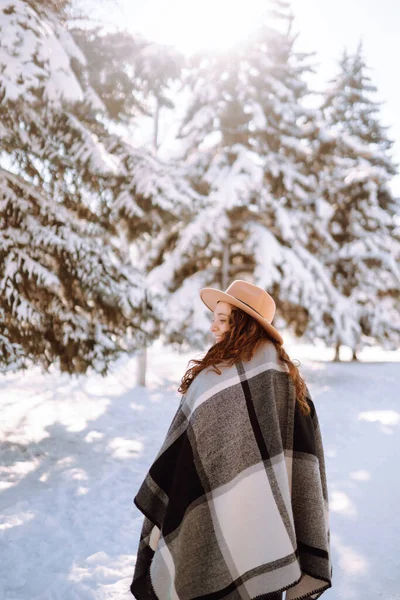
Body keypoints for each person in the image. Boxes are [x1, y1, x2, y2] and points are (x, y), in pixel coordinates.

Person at [130, 280, 332, 600]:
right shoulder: (289, 381)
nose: (213, 327)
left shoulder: (218, 378)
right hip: (269, 538)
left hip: (232, 530)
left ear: (245, 325)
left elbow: (301, 459)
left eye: (223, 319)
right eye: (214, 317)